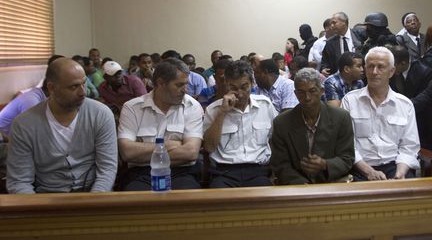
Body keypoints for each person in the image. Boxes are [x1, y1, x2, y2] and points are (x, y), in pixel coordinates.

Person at [7, 58, 118, 193]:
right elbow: (19, 181)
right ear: (51, 88)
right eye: (74, 86)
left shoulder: (101, 114)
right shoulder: (24, 124)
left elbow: (107, 169)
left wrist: (94, 203)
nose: (83, 92)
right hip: (46, 200)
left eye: (83, 84)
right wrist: (37, 210)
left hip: (94, 194)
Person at [118, 58, 203, 190]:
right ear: (160, 83)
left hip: (181, 172)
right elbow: (127, 152)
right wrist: (168, 145)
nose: (185, 90)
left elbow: (190, 152)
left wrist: (143, 151)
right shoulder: (132, 108)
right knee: (134, 201)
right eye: (179, 85)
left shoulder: (192, 106)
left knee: (189, 200)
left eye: (186, 84)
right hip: (141, 173)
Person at [341, 47, 420, 181]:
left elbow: (409, 146)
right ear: (365, 70)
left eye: (380, 67)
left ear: (392, 71)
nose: (374, 72)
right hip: (359, 168)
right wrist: (368, 171)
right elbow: (347, 145)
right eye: (370, 66)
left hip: (395, 166)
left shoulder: (404, 104)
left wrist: (400, 173)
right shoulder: (350, 101)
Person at [270, 68, 354, 185]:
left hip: (332, 183)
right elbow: (280, 164)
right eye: (301, 92)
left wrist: (325, 164)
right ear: (295, 94)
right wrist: (301, 184)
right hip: (296, 186)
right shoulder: (282, 122)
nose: (307, 97)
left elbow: (347, 158)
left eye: (312, 91)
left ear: (322, 91)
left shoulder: (341, 118)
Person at [203, 60, 278, 188]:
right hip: (224, 172)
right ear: (226, 85)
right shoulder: (213, 110)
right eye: (233, 88)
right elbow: (209, 147)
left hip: (258, 171)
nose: (240, 93)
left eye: (244, 87)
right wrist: (222, 113)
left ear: (252, 83)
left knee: (266, 198)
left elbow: (275, 139)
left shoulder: (265, 105)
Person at [0, 55, 64, 137]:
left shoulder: (43, 97)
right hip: (3, 137)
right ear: (51, 88)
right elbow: (32, 132)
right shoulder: (32, 101)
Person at [321, 12, 363, 76]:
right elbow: (325, 61)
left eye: (334, 23)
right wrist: (323, 69)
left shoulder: (360, 36)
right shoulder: (330, 42)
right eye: (331, 23)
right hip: (340, 80)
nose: (331, 26)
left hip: (360, 77)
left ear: (344, 22)